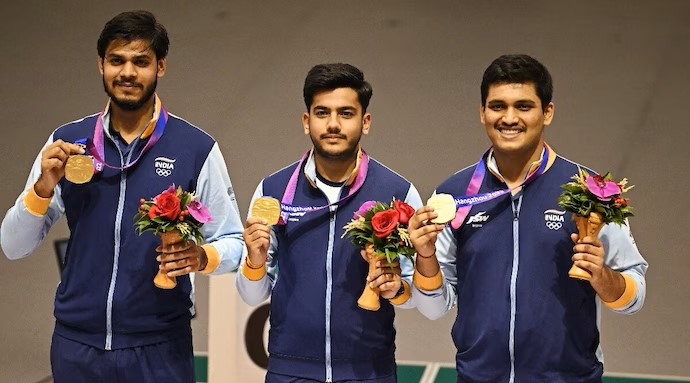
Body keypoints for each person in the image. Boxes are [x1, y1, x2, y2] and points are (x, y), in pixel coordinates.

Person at [0, 11, 244, 383]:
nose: (127, 72)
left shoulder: (195, 148)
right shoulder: (68, 143)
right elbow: (12, 246)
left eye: (141, 61)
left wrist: (202, 256)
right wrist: (42, 189)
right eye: (116, 60)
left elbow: (236, 243)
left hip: (160, 346)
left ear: (160, 67)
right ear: (101, 64)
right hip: (77, 344)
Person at [408, 54, 648, 383]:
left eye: (523, 106)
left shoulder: (592, 192)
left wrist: (602, 277)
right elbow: (434, 308)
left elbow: (635, 298)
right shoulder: (454, 195)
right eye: (497, 106)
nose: (509, 118)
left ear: (547, 112)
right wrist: (424, 256)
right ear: (482, 112)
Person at [238, 63, 422, 383]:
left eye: (346, 113)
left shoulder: (398, 192)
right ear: (306, 121)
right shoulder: (273, 190)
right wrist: (254, 259)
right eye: (322, 113)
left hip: (368, 370)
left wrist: (396, 288)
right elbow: (253, 296)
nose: (333, 124)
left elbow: (417, 294)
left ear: (365, 122)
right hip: (290, 368)